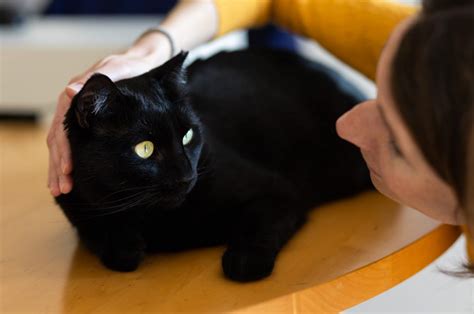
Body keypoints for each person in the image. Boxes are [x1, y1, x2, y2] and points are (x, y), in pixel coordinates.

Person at [46, 0, 474, 270]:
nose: (347, 124)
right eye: (380, 90)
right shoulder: (447, 42)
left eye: (397, 143)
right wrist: (147, 51)